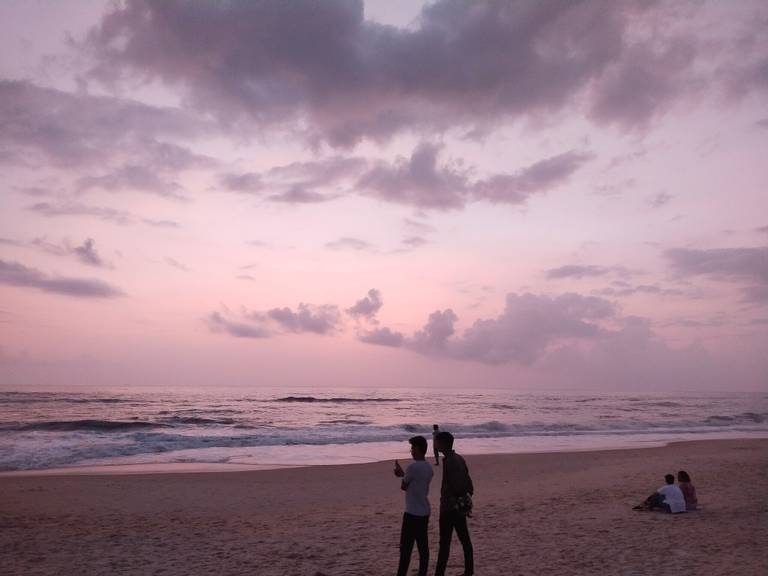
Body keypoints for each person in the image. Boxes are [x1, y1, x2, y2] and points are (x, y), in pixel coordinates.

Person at [434, 431, 474, 576]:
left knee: (444, 543)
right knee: (464, 540)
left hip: (450, 508)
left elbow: (455, 485)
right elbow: (469, 483)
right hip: (458, 505)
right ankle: (469, 571)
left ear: (443, 443)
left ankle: (439, 573)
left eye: (437, 442)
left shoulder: (450, 461)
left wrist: (455, 500)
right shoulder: (459, 458)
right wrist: (465, 502)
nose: (435, 444)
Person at [393, 435, 434, 576]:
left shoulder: (412, 467)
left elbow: (404, 486)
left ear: (417, 449)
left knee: (406, 549)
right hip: (424, 511)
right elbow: (416, 483)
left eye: (412, 448)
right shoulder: (429, 467)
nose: (411, 451)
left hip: (412, 513)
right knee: (423, 548)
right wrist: (403, 475)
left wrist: (400, 474)